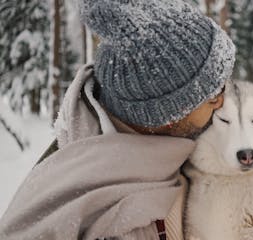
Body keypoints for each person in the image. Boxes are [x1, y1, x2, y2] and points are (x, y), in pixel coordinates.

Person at [0, 0, 235, 239]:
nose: (224, 103)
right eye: (213, 97)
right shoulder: (110, 221)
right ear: (167, 117)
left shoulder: (110, 136)